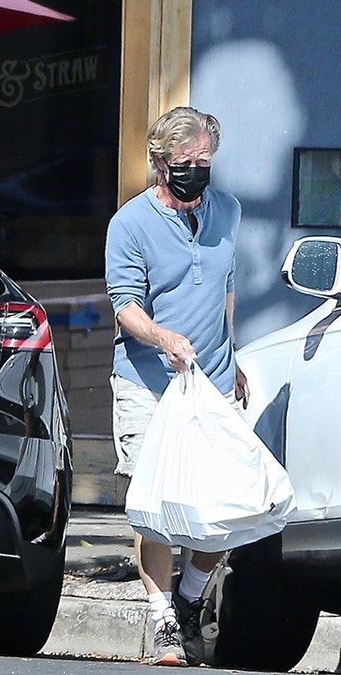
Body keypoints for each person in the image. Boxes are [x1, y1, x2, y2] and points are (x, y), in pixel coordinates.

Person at [105, 106, 248, 667]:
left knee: (224, 508)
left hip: (210, 383)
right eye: (185, 161)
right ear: (159, 161)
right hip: (147, 382)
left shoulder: (228, 212)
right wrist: (162, 336)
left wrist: (231, 354)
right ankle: (164, 620)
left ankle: (189, 598)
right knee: (155, 505)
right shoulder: (130, 223)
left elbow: (227, 287)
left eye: (204, 160)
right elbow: (125, 307)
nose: (196, 169)